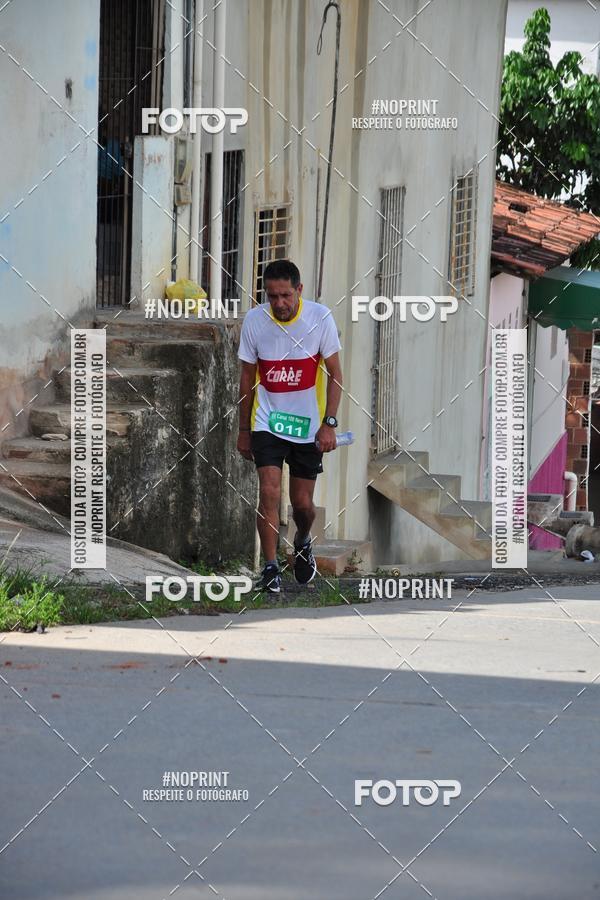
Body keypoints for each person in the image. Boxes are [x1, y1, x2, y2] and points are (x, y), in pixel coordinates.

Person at [237, 259, 343, 592]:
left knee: (302, 505)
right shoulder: (254, 322)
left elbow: (336, 375)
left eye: (285, 295)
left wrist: (329, 424)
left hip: (307, 426)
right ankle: (269, 568)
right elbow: (246, 377)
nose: (279, 304)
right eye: (272, 297)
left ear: (299, 290)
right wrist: (243, 429)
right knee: (268, 492)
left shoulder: (319, 318)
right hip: (267, 421)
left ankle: (302, 539)